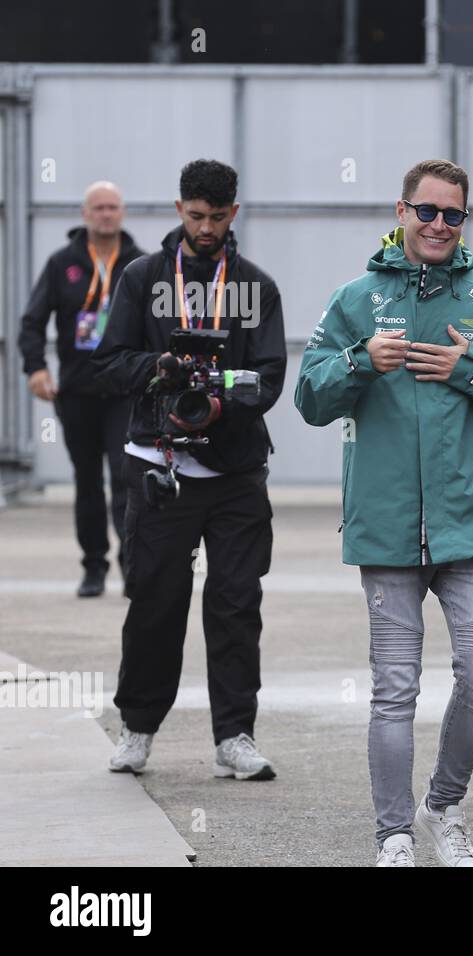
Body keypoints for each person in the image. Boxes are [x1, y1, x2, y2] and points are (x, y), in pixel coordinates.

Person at [296, 159, 473, 867]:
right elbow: (309, 399)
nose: (440, 225)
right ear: (401, 211)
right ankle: (394, 834)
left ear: (465, 221)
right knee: (395, 689)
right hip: (386, 530)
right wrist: (359, 361)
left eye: (454, 215)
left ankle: (443, 806)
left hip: (471, 525)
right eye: (428, 211)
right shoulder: (354, 299)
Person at [92, 159, 286, 782]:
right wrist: (161, 369)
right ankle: (138, 728)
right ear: (179, 210)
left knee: (235, 603)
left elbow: (272, 378)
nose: (206, 228)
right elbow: (109, 363)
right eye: (196, 216)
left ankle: (235, 735)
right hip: (159, 464)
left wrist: (222, 397)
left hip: (234, 473)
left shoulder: (256, 285)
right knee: (155, 600)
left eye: (218, 217)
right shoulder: (142, 277)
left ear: (235, 212)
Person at [19, 181, 142, 596]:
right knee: (87, 481)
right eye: (99, 208)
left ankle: (132, 565)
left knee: (127, 477)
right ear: (85, 214)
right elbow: (32, 322)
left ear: (122, 213)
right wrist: (36, 369)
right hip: (77, 391)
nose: (106, 214)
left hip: (126, 391)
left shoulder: (141, 264)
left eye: (113, 207)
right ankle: (93, 567)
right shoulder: (62, 264)